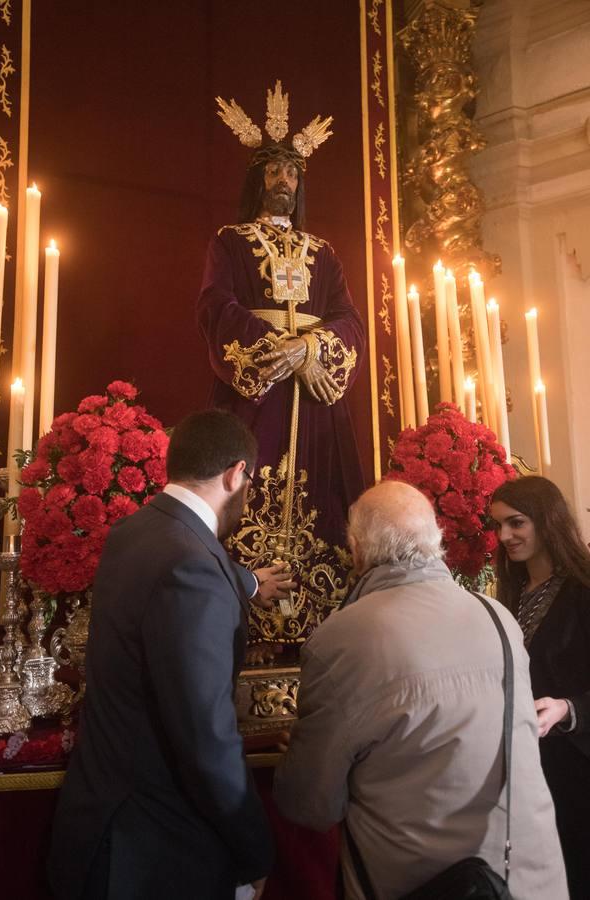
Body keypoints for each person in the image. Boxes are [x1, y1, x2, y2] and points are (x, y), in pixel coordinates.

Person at [273, 480, 568, 900]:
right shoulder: (496, 615)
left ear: (357, 548)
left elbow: (310, 806)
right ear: (437, 542)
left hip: (421, 883)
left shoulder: (340, 639)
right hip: (527, 878)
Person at [48, 409, 289, 900]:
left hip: (105, 822)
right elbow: (205, 736)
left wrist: (244, 581)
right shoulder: (192, 567)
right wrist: (254, 849)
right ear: (236, 473)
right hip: (157, 848)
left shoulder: (134, 532)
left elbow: (181, 581)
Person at [197, 82, 365, 649]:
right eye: (273, 171)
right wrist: (279, 348)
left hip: (315, 398)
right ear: (256, 179)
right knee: (245, 483)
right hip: (258, 396)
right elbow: (216, 306)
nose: (284, 182)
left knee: (324, 503)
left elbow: (347, 319)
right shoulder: (231, 241)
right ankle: (243, 607)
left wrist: (313, 350)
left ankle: (323, 628)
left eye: (292, 173)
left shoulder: (325, 253)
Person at [491, 474, 590, 900]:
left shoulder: (583, 590)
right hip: (528, 765)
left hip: (577, 767)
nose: (504, 536)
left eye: (516, 523)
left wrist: (568, 708)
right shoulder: (509, 593)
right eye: (498, 526)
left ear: (546, 521)